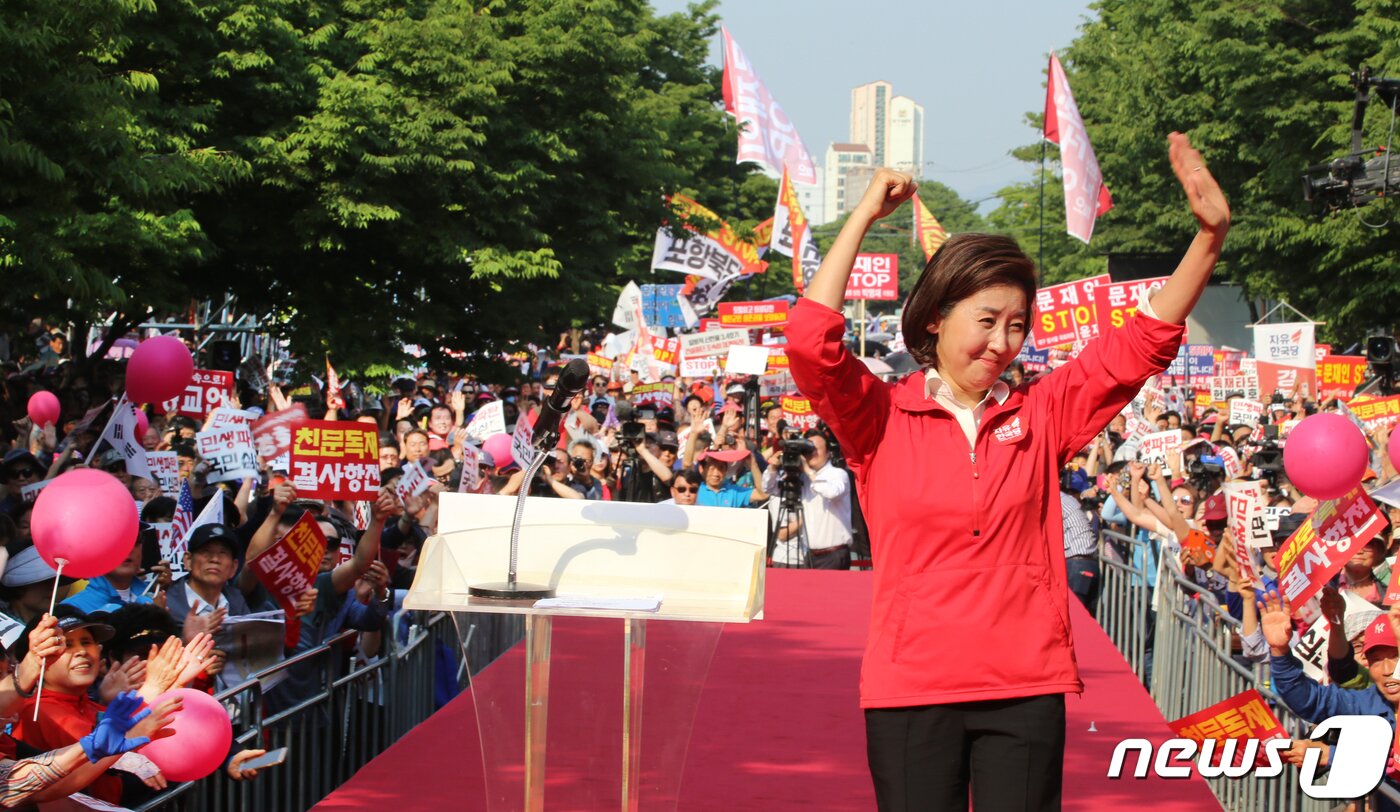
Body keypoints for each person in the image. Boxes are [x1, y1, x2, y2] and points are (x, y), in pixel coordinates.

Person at [785, 133, 1229, 810]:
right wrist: (863, 215)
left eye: (1017, 325)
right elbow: (810, 345)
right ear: (935, 320)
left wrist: (1209, 238)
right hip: (911, 688)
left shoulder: (1044, 414)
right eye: (986, 320)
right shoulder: (880, 419)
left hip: (1024, 687)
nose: (1001, 343)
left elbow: (1137, 346)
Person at [761, 430, 854, 569]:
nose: (812, 452)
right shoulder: (803, 477)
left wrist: (808, 471)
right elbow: (769, 489)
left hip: (834, 554)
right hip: (809, 555)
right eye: (809, 449)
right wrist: (773, 467)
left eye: (817, 449)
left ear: (828, 453)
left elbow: (832, 493)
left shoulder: (838, 474)